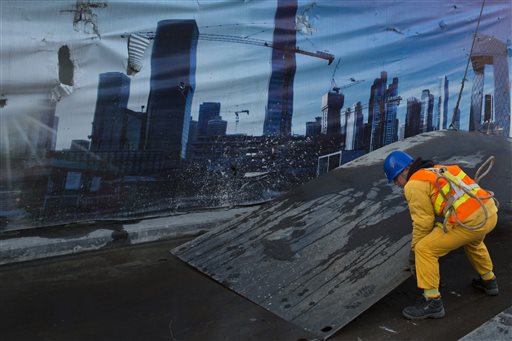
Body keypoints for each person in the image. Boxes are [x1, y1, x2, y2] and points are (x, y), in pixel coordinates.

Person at [383, 150, 499, 320]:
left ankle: (432, 302)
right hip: (488, 214)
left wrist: (414, 252)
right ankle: (489, 280)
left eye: (395, 179)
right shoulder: (441, 169)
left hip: (470, 222)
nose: (397, 185)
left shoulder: (413, 184)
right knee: (473, 241)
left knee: (425, 249)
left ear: (404, 171)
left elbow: (423, 223)